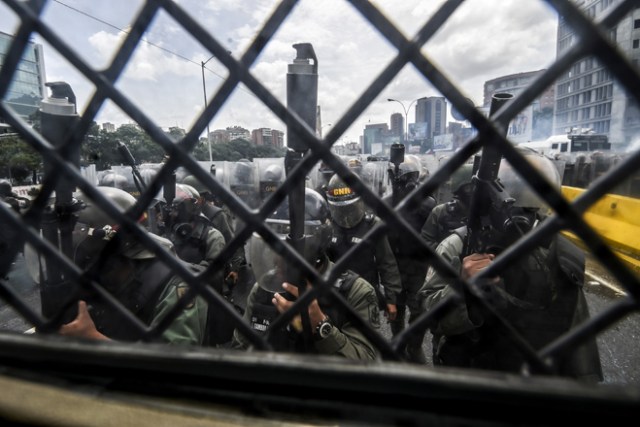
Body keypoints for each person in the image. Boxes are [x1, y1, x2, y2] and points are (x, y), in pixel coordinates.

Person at [420, 149, 603, 382]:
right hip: (468, 376)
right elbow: (428, 312)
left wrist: (584, 385)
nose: (523, 218)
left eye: (531, 208)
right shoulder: (459, 246)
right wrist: (462, 290)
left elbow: (579, 335)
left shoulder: (563, 253)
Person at [232, 188, 380, 360]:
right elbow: (240, 349)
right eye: (273, 244)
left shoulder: (354, 292)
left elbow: (366, 363)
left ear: (318, 242)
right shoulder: (263, 288)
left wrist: (321, 327)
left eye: (287, 248)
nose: (277, 256)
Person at [56, 186, 208, 345]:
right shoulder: (104, 274)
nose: (73, 242)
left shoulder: (176, 286)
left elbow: (174, 363)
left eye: (79, 232)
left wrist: (94, 339)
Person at [153, 184, 232, 347]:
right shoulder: (163, 236)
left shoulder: (212, 236)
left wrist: (176, 265)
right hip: (167, 306)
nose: (171, 215)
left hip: (203, 311)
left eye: (176, 210)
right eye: (167, 210)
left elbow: (215, 277)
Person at [324, 174, 402, 323]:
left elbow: (387, 263)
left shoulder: (372, 226)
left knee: (367, 339)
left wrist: (391, 299)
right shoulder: (328, 226)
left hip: (365, 294)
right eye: (341, 208)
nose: (346, 214)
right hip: (334, 294)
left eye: (350, 207)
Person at [384, 156, 436, 363]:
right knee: (395, 308)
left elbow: (434, 233)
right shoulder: (387, 204)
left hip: (417, 266)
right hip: (395, 265)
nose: (410, 183)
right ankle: (398, 343)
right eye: (406, 178)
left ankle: (414, 346)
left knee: (418, 309)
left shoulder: (428, 204)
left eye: (413, 177)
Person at [420, 163, 473, 250]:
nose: (473, 191)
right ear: (458, 189)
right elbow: (425, 241)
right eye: (468, 188)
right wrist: (446, 248)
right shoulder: (440, 212)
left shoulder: (489, 213)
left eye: (476, 187)